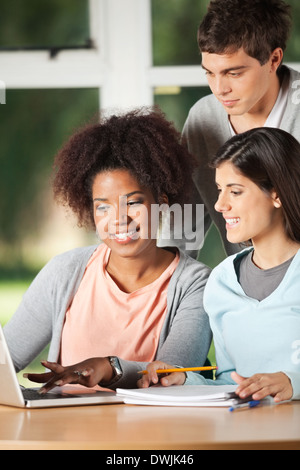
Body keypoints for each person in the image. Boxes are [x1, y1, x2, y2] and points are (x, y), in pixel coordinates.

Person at [3, 107, 212, 393]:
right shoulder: (65, 271)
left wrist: (108, 367)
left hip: (151, 435)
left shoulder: (196, 284)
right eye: (103, 206)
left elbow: (174, 373)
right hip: (63, 434)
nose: (118, 219)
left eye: (134, 202)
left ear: (162, 203)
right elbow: (7, 358)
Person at [139, 127, 300, 402]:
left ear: (277, 193)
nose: (219, 204)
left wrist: (291, 381)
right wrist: (185, 378)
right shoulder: (222, 280)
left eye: (235, 192)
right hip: (243, 436)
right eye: (219, 190)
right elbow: (230, 382)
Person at [182, 0, 300, 258]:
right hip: (244, 287)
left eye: (233, 73)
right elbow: (181, 230)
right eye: (209, 73)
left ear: (273, 59)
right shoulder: (203, 120)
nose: (219, 89)